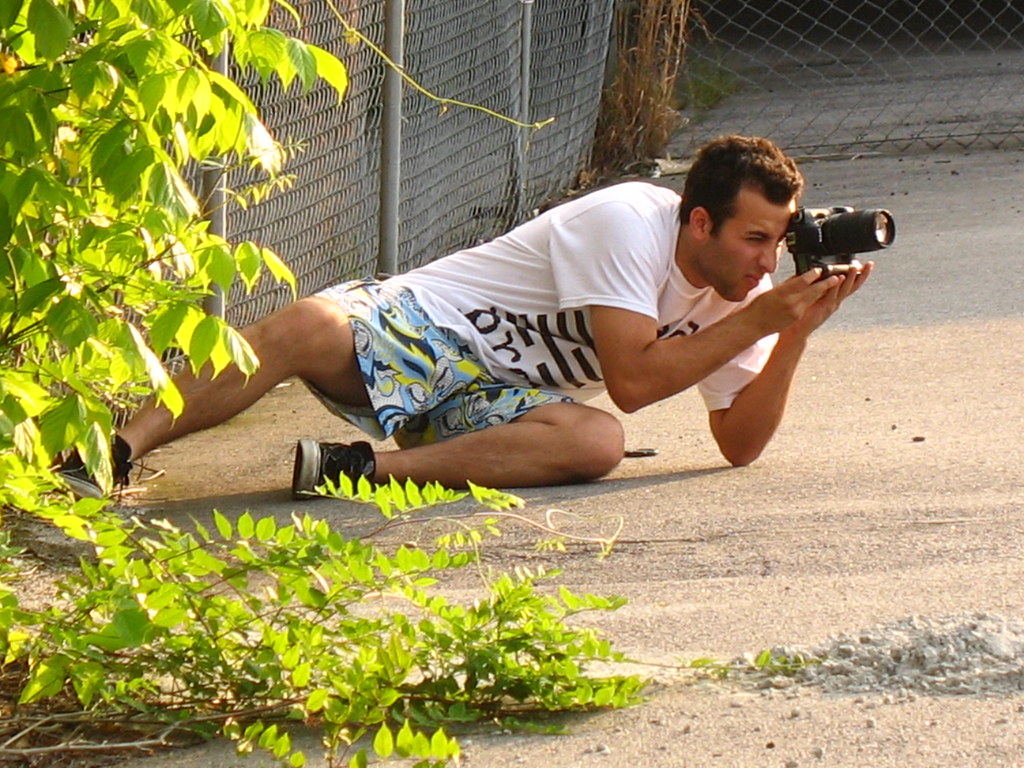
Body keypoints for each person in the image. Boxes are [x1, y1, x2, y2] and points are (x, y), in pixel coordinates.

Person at [60, 134, 872, 499]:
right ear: (700, 221)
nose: (768, 263)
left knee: (596, 442)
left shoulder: (739, 300)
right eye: (755, 240)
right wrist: (760, 319)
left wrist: (789, 335)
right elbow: (631, 378)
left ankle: (357, 472)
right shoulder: (633, 220)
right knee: (308, 324)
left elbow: (739, 443)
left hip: (491, 402)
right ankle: (114, 451)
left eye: (777, 244)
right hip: (428, 326)